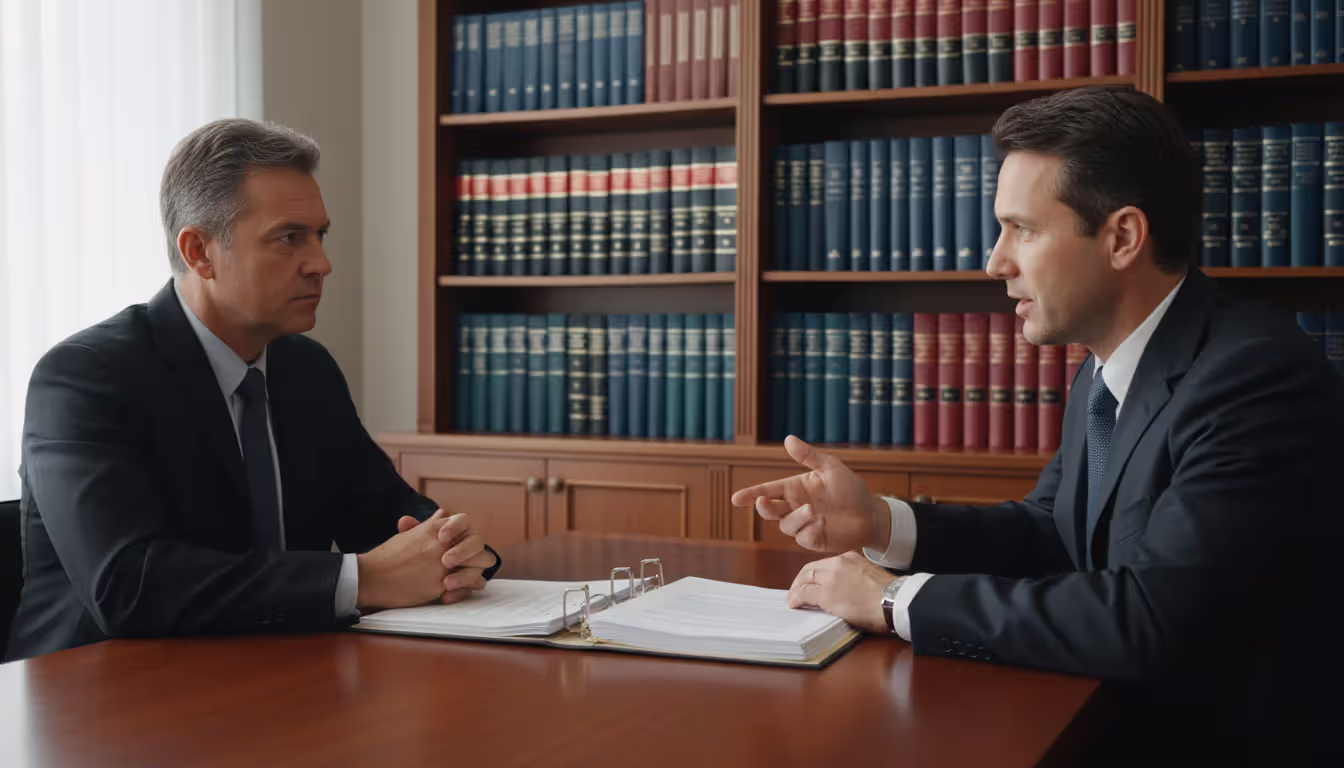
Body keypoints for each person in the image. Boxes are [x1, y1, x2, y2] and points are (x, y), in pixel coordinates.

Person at [732, 88, 1343, 765]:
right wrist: (881, 523)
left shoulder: (1254, 378)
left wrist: (895, 600)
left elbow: (1153, 618)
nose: (996, 261)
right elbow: (1054, 531)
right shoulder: (1106, 367)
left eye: (1021, 229)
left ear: (1122, 237)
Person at [9, 119, 499, 661]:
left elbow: (385, 510)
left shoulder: (304, 368)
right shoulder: (84, 377)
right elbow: (128, 585)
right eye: (289, 238)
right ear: (199, 252)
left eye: (320, 235)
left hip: (275, 675)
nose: (321, 264)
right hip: (96, 700)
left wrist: (453, 548)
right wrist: (365, 578)